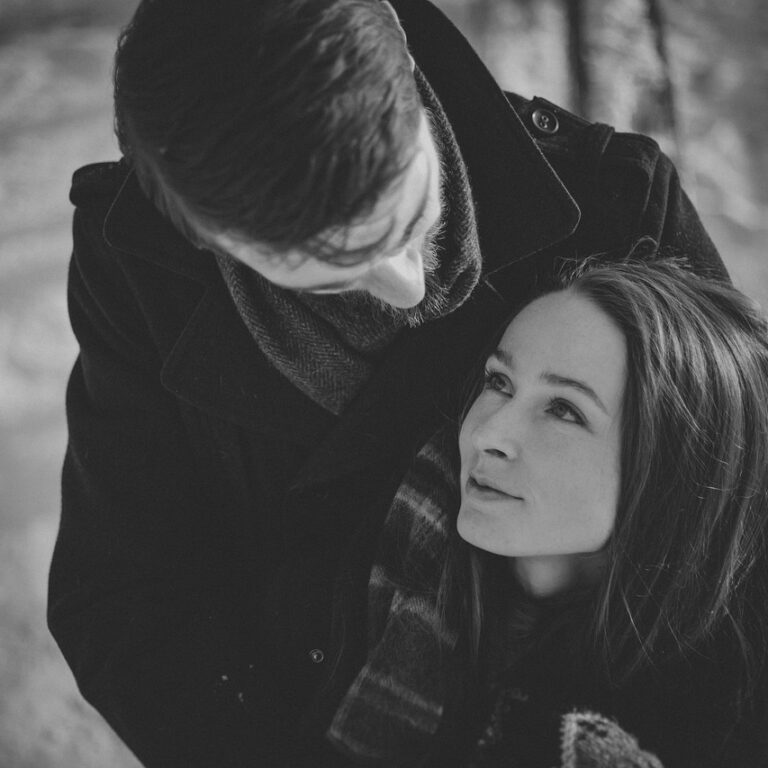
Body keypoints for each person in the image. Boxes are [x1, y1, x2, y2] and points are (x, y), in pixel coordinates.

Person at [47, 0, 727, 765]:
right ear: (209, 239)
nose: (411, 288)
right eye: (337, 272)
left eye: (408, 218)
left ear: (403, 63)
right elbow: (128, 596)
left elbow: (738, 531)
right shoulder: (143, 271)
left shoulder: (617, 203)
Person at [328, 258, 768, 767]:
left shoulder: (721, 719)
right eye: (499, 383)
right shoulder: (388, 545)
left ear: (671, 473)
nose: (488, 434)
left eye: (564, 410)